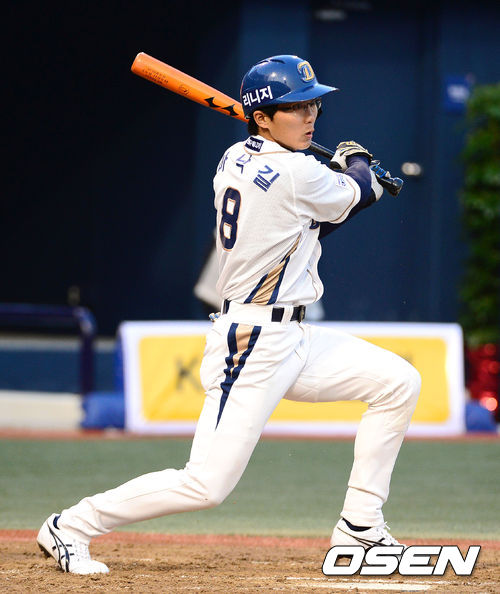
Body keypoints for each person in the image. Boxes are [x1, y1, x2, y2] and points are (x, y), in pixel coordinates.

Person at [37, 54, 421, 575]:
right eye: (296, 108)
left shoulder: (237, 155)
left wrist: (344, 175)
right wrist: (357, 167)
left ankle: (361, 525)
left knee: (398, 382)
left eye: (313, 105)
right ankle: (72, 524)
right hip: (253, 342)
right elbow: (352, 195)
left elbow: (311, 219)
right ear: (261, 117)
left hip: (293, 336)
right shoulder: (294, 171)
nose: (310, 116)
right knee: (205, 484)